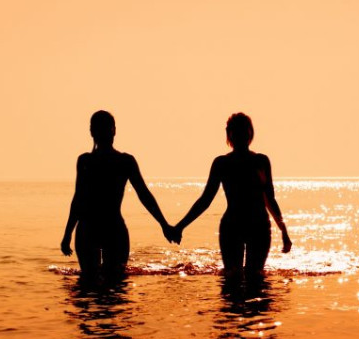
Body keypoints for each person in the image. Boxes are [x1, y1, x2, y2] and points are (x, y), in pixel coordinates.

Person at [61, 110, 178, 278]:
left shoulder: (113, 161)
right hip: (105, 228)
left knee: (89, 284)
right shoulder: (100, 161)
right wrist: (165, 225)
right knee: (113, 287)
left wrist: (164, 224)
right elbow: (78, 199)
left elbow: (143, 194)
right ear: (113, 131)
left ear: (92, 132)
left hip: (97, 229)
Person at [172, 113, 292, 277]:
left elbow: (269, 199)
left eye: (244, 131)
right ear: (230, 134)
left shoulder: (261, 161)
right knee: (232, 277)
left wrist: (283, 231)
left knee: (255, 277)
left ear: (250, 133)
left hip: (258, 226)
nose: (241, 135)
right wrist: (180, 226)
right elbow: (205, 200)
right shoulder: (222, 163)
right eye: (237, 131)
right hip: (233, 225)